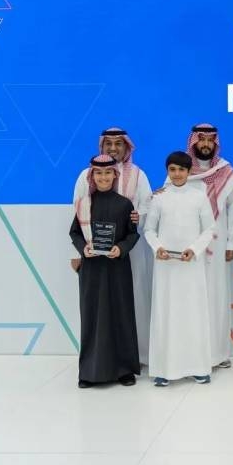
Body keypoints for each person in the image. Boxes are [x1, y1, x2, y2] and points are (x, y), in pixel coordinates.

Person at [162, 124, 233, 370]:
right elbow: (166, 202)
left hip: (217, 243)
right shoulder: (180, 171)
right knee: (190, 297)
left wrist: (232, 242)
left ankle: (217, 354)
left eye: (210, 140)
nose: (205, 144)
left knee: (216, 295)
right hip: (185, 245)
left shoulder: (226, 172)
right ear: (193, 142)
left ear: (216, 143)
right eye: (201, 140)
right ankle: (190, 354)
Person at [72, 127, 154, 367]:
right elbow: (77, 213)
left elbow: (148, 207)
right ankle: (100, 361)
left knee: (131, 300)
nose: (113, 148)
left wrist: (139, 217)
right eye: (108, 143)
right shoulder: (86, 175)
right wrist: (76, 252)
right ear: (102, 146)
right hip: (93, 254)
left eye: (119, 144)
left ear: (127, 147)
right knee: (96, 307)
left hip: (129, 251)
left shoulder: (138, 175)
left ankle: (137, 356)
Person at [144, 151, 217, 386]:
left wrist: (194, 249)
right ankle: (164, 370)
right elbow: (149, 230)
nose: (177, 174)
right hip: (165, 266)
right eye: (172, 169)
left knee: (192, 313)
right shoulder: (159, 198)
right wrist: (158, 248)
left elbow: (209, 229)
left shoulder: (199, 196)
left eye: (181, 170)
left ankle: (198, 368)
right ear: (167, 171)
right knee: (166, 314)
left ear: (189, 172)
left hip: (191, 266)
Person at [68, 154, 140, 388]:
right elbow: (75, 233)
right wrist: (83, 248)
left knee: (121, 314)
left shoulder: (125, 204)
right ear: (92, 176)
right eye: (98, 173)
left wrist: (121, 248)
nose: (103, 177)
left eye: (108, 173)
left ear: (115, 175)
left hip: (117, 267)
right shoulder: (84, 204)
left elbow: (132, 234)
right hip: (92, 269)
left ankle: (124, 370)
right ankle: (89, 372)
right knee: (92, 317)